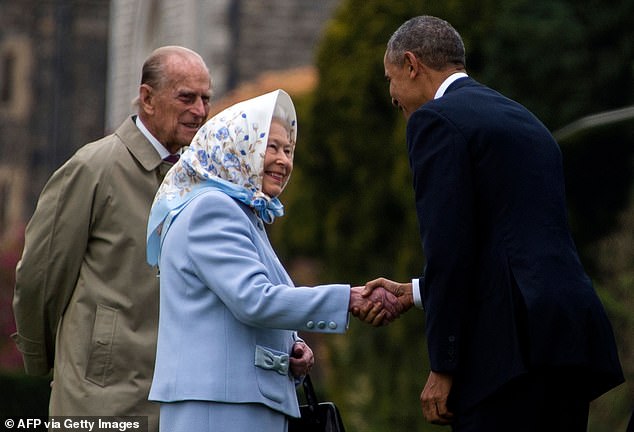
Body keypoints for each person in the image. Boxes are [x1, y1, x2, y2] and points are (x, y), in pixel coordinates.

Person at [361, 15, 625, 431]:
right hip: (566, 341)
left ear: (411, 64)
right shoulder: (526, 120)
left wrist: (444, 365)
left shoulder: (436, 121)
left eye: (390, 78)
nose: (393, 95)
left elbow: (450, 250)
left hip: (507, 354)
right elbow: (509, 245)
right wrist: (414, 292)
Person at [145, 89, 402, 432]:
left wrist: (291, 348)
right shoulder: (213, 208)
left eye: (289, 150)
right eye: (272, 146)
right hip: (218, 409)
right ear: (239, 145)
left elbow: (234, 313)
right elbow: (254, 299)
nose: (284, 160)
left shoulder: (242, 212)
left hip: (233, 404)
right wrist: (349, 298)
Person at [12, 46, 212, 431]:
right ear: (148, 99)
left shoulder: (200, 179)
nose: (200, 111)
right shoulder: (93, 167)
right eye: (186, 97)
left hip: (175, 400)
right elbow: (41, 274)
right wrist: (41, 361)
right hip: (98, 401)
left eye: (206, 99)